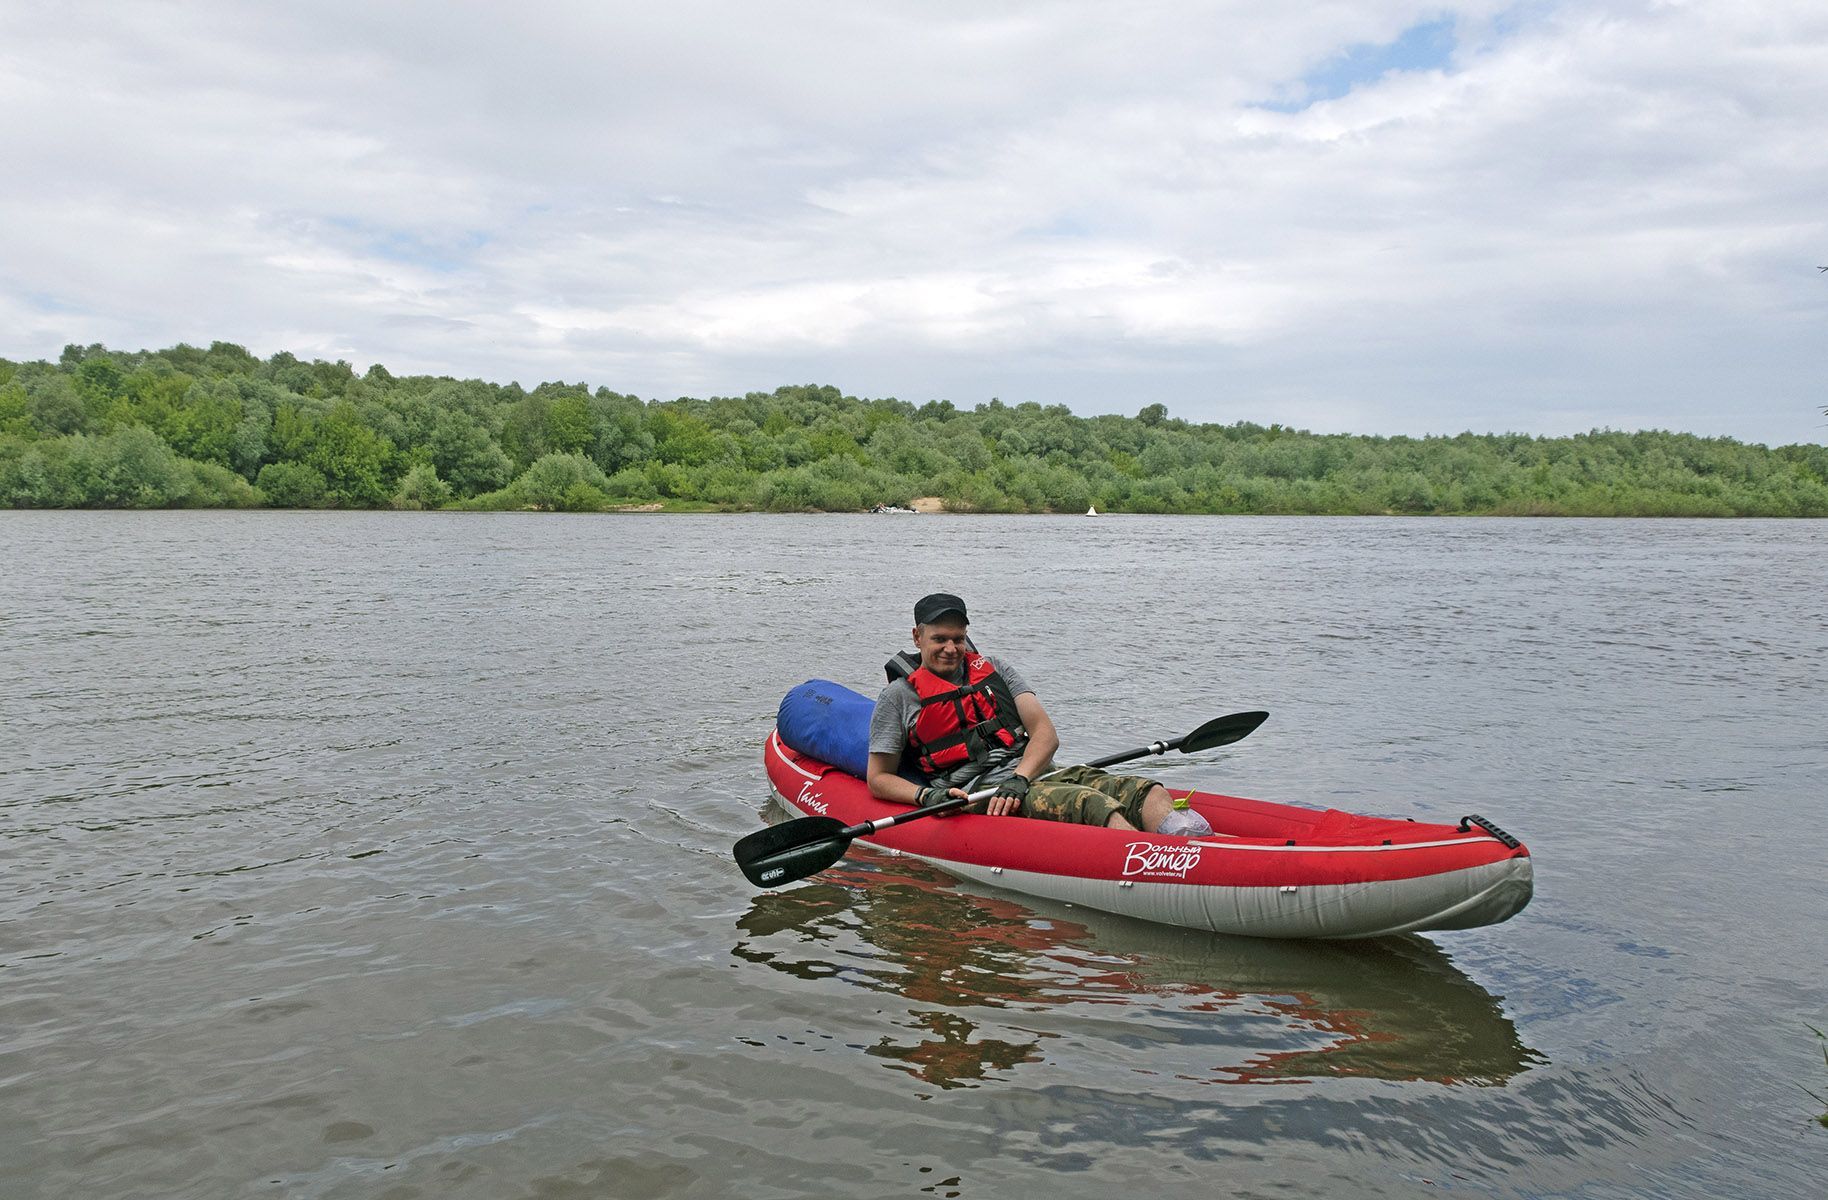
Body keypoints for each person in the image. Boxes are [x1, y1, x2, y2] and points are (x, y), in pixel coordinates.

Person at [866, 593, 1208, 834]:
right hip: (978, 791)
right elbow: (879, 778)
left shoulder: (995, 669)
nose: (951, 649)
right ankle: (1150, 862)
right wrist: (928, 796)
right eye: (939, 639)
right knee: (1090, 803)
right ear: (917, 637)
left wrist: (1021, 778)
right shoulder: (898, 698)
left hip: (1031, 775)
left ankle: (1190, 846)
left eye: (958, 638)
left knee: (1149, 792)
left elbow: (1045, 734)